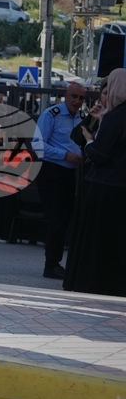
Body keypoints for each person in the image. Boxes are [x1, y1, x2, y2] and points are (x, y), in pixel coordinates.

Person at [63, 69, 126, 297]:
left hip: (105, 184)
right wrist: (95, 119)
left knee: (97, 238)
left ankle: (91, 282)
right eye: (104, 93)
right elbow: (75, 136)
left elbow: (99, 153)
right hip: (114, 184)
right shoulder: (107, 115)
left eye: (111, 92)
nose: (107, 97)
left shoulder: (116, 117)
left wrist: (91, 141)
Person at [35, 82, 86, 279]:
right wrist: (64, 154)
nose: (77, 101)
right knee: (56, 219)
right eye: (74, 96)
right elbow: (38, 146)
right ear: (66, 95)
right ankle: (51, 264)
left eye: (81, 98)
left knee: (64, 219)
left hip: (71, 174)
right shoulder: (51, 114)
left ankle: (57, 263)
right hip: (52, 170)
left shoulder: (82, 118)